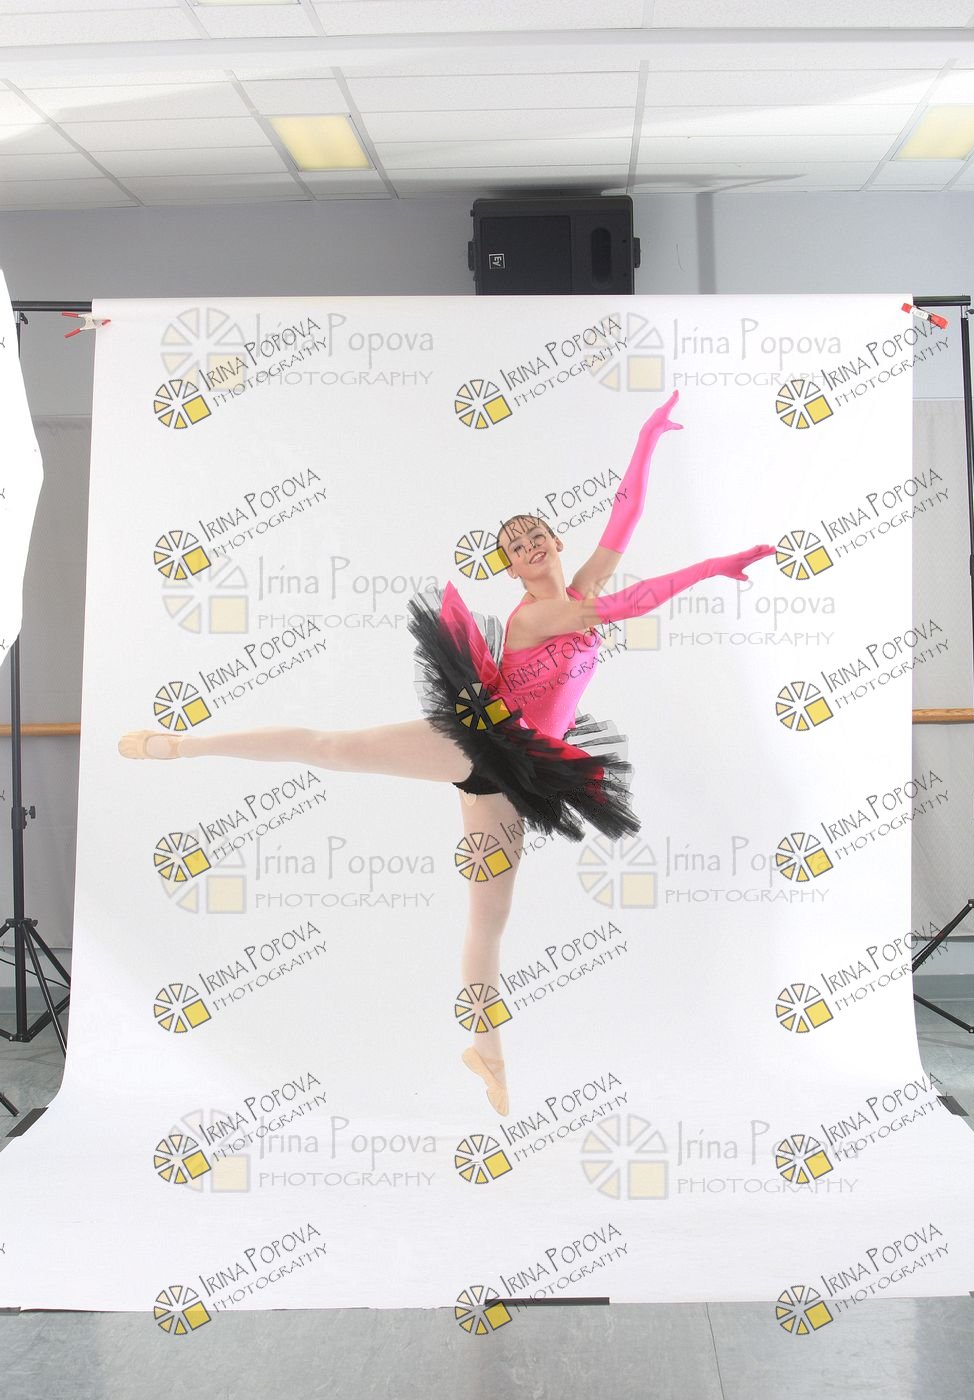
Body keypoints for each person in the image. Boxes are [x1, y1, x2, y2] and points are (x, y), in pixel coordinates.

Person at [119, 393, 774, 1116]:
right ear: (510, 568)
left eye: (536, 535)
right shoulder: (544, 613)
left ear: (555, 541)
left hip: (519, 774)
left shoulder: (581, 586)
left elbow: (625, 518)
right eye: (515, 546)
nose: (528, 545)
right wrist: (715, 565)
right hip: (478, 740)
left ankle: (486, 1052)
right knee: (332, 747)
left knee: (489, 917)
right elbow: (632, 602)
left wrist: (647, 438)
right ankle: (184, 745)